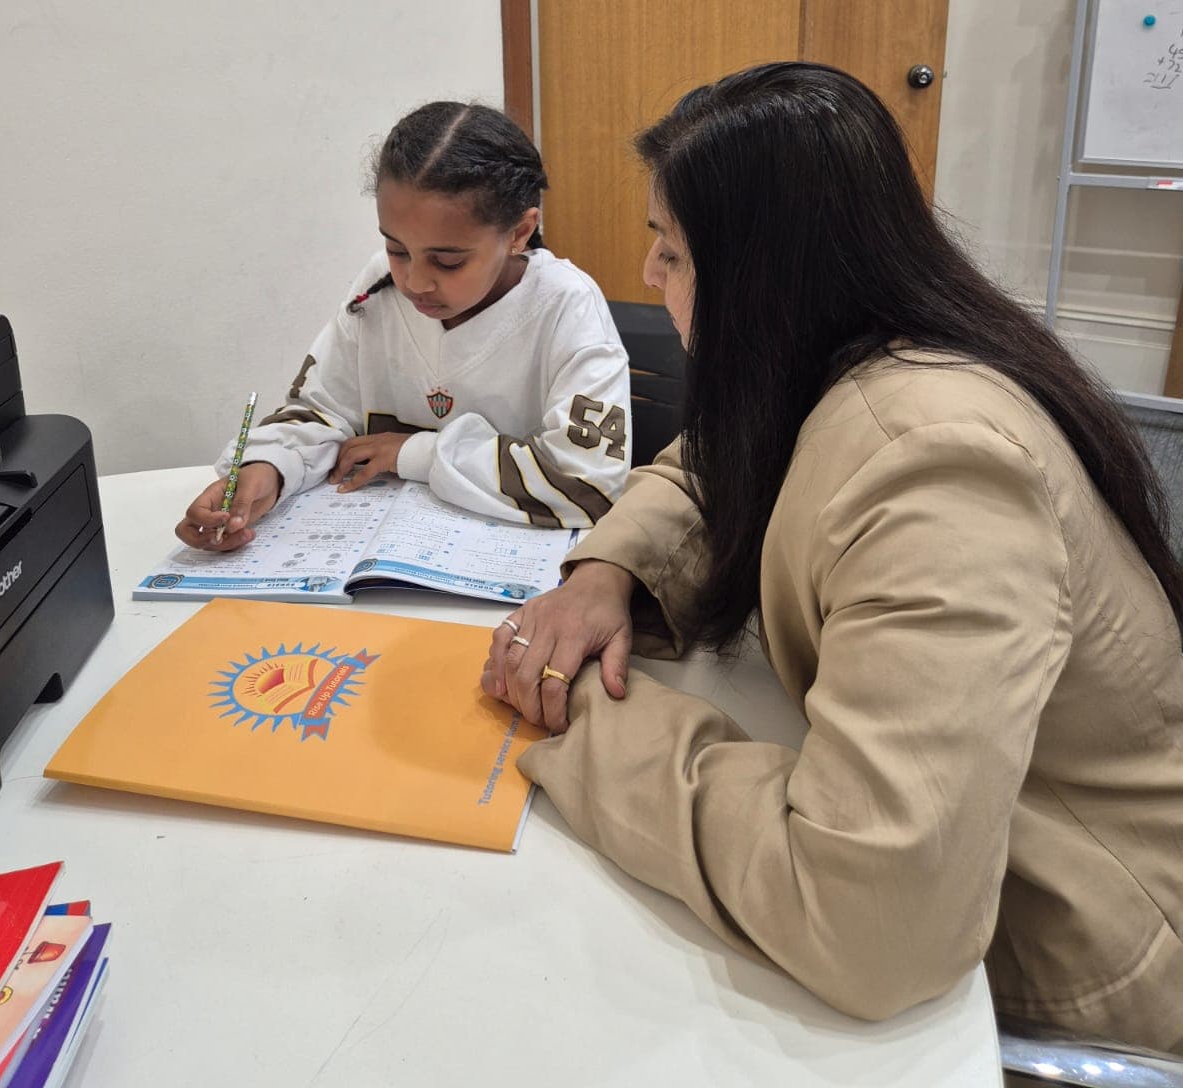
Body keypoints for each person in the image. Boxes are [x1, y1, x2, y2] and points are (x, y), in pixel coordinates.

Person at [482, 62, 1183, 1051]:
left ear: (766, 280)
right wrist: (611, 572)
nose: (648, 278)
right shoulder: (855, 353)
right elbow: (713, 458)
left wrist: (572, 716)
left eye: (671, 251)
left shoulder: (940, 469)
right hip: (972, 900)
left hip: (1071, 976)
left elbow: (867, 920)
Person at [176, 101, 631, 548]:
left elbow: (588, 484)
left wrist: (415, 453)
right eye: (397, 250)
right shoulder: (377, 289)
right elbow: (320, 410)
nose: (414, 281)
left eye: (448, 261)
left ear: (518, 232)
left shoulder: (565, 305)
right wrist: (267, 468)